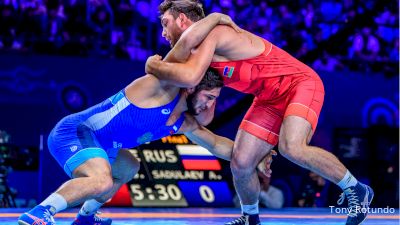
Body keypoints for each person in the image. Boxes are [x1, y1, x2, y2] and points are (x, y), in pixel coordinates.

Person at [17, 17, 274, 225]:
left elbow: (218, 145)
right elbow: (183, 47)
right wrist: (216, 18)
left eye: (215, 99)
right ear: (191, 87)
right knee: (103, 180)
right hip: (75, 131)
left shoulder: (183, 122)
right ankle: (39, 214)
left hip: (103, 144)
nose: (210, 104)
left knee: (128, 167)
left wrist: (256, 156)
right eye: (208, 96)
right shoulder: (158, 88)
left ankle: (85, 218)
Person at [145, 1, 374, 224]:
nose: (163, 32)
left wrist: (152, 65)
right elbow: (206, 116)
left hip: (299, 83)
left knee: (291, 147)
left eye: (165, 23)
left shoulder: (216, 33)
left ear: (183, 19)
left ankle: (356, 189)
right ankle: (250, 217)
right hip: (268, 99)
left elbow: (185, 73)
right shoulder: (197, 60)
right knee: (241, 162)